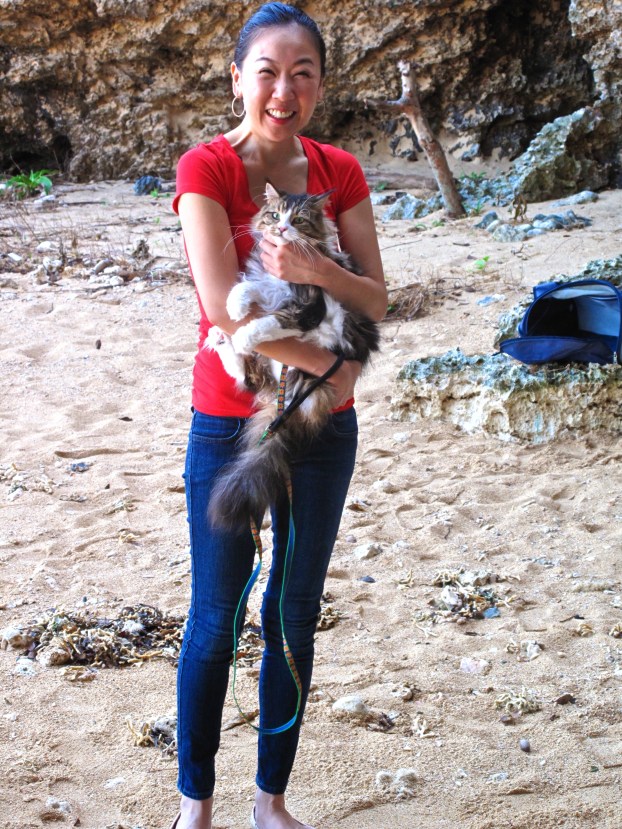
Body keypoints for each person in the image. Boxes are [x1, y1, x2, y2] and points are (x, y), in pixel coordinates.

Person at [171, 4, 387, 828]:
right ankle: (196, 803)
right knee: (216, 615)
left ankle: (271, 801)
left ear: (321, 83)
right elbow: (225, 310)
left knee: (293, 610)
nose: (284, 89)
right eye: (266, 70)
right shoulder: (208, 168)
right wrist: (332, 366)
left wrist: (313, 271)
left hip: (324, 429)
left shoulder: (340, 169)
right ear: (237, 77)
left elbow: (375, 293)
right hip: (231, 415)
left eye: (303, 73)